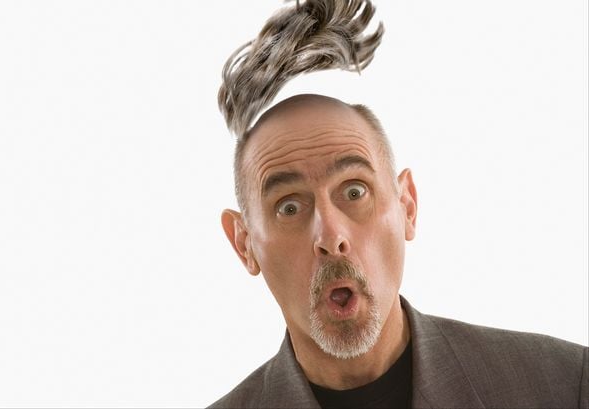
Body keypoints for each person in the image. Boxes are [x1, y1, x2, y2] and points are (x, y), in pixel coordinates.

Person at [210, 1, 588, 408]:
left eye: (354, 192)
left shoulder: (565, 385)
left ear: (407, 205)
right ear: (244, 244)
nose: (331, 237)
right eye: (289, 207)